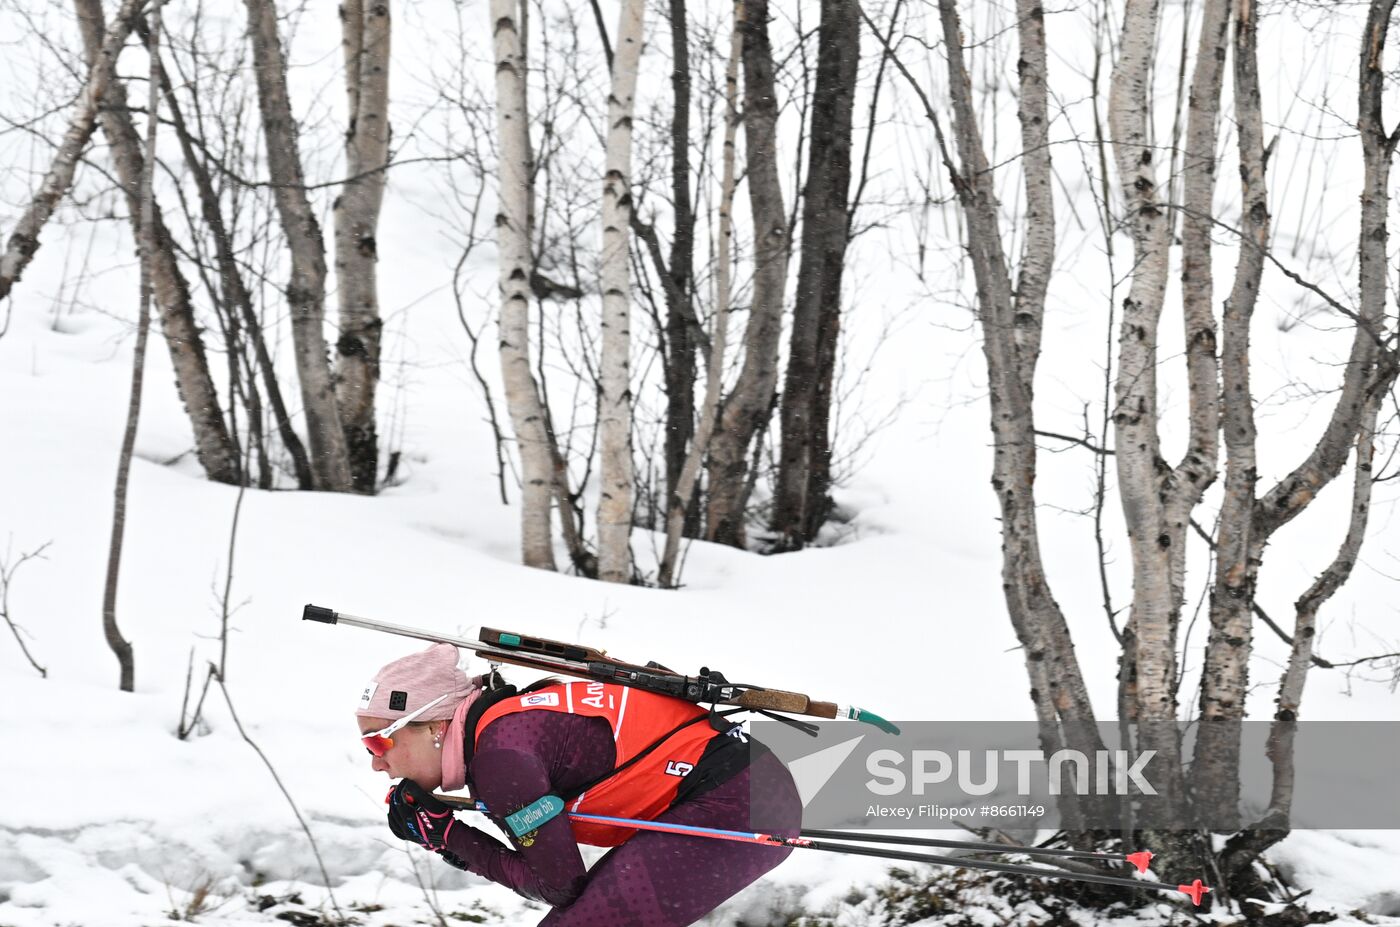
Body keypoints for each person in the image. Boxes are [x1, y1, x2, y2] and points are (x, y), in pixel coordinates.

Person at [354, 642, 802, 926]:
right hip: (743, 786)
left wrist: (447, 835)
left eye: (379, 743)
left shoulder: (500, 758)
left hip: (741, 802)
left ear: (434, 726)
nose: (377, 764)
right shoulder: (501, 730)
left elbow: (559, 886)